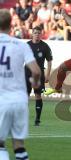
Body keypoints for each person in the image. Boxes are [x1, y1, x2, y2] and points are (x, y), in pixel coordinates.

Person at [0, 9, 41, 160]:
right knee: (19, 146)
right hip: (19, 99)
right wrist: (35, 83)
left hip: (1, 100)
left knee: (0, 144)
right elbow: (36, 71)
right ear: (11, 25)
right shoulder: (21, 45)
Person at [25, 26, 53, 126]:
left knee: (38, 95)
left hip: (40, 73)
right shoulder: (26, 45)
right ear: (32, 33)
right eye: (35, 33)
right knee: (25, 96)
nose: (37, 35)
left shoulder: (45, 46)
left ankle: (37, 119)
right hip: (27, 72)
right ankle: (23, 118)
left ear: (41, 34)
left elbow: (49, 61)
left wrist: (48, 75)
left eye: (39, 33)